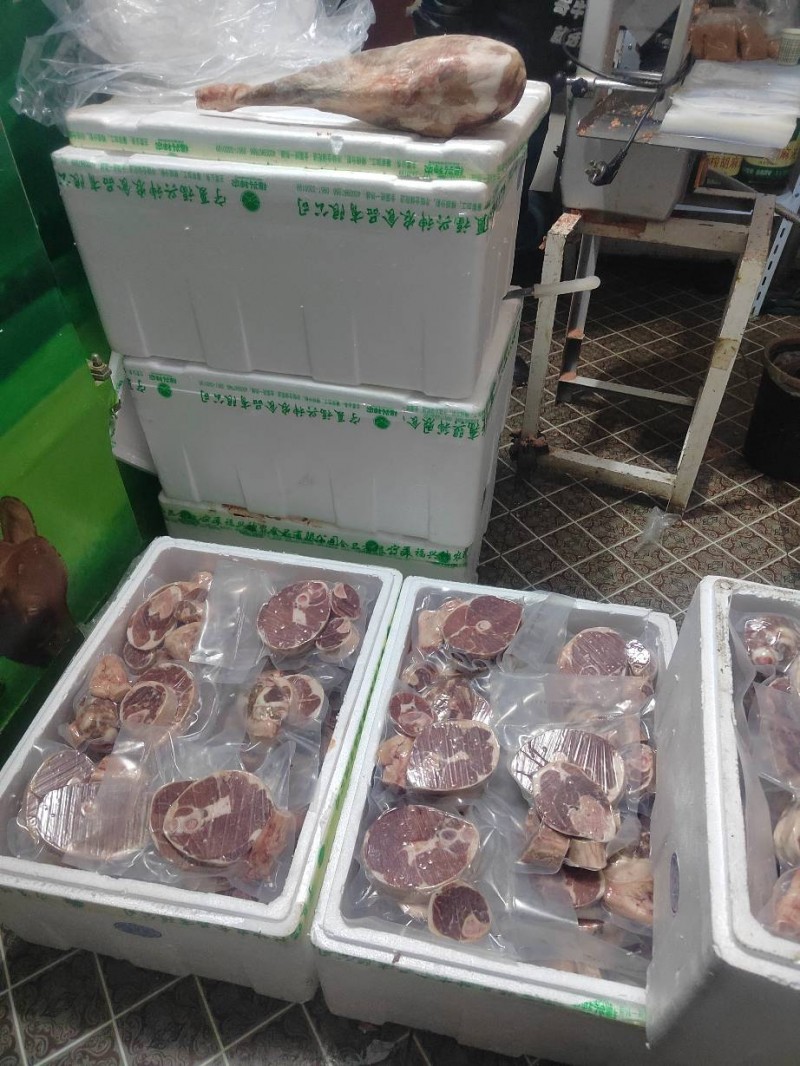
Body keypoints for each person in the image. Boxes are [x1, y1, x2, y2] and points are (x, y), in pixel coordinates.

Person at [411, 1, 588, 285]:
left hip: (537, 84)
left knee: (511, 196)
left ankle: (511, 252)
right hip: (478, 83)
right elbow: (441, 12)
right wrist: (441, 73)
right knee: (469, 193)